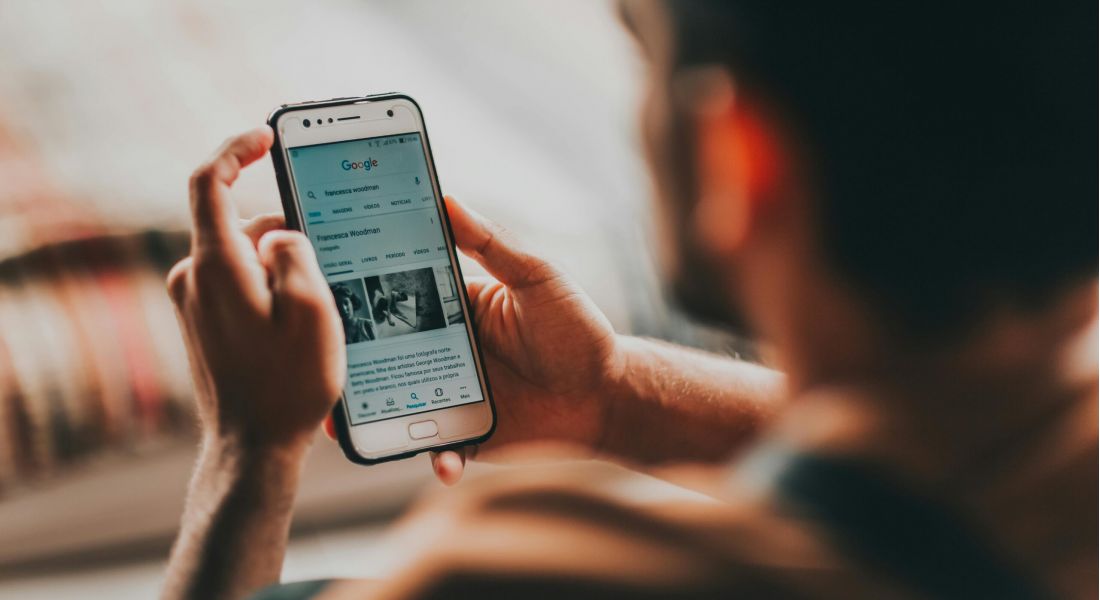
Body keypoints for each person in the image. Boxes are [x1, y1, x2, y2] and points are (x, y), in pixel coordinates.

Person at [161, 1, 1096, 599]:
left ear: (739, 159)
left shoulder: (526, 570)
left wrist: (250, 451)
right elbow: (937, 448)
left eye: (647, 67)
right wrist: (610, 398)